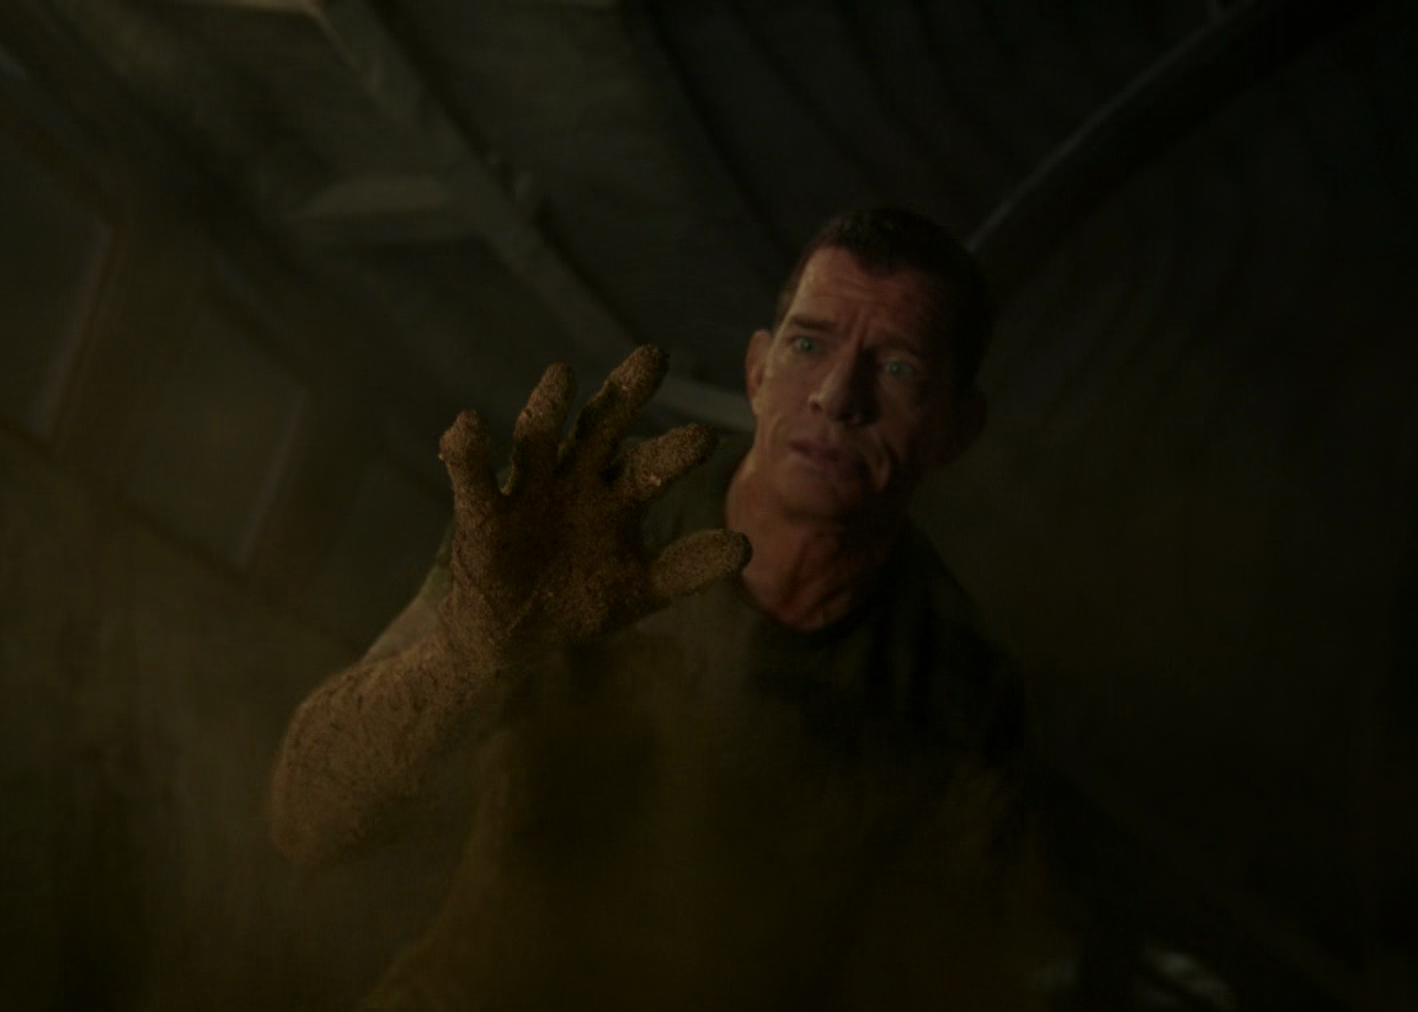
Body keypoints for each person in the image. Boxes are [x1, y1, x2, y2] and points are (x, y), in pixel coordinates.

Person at [268, 208, 1047, 1010]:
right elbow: (308, 817)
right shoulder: (582, 517)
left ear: (958, 428)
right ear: (757, 370)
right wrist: (466, 654)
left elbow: (939, 976)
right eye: (809, 346)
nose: (836, 395)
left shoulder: (962, 688)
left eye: (899, 369)